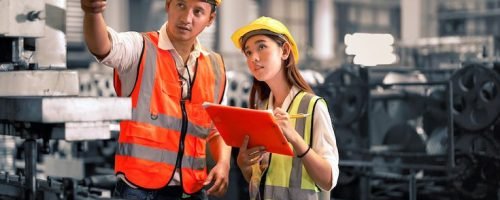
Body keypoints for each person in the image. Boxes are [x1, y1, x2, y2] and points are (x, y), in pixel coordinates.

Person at [80, 0, 231, 199]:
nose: (186, 18)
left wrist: (223, 163)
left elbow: (219, 127)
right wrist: (93, 12)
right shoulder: (140, 48)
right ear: (168, 5)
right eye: (181, 5)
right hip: (138, 189)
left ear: (210, 19)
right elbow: (103, 46)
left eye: (198, 11)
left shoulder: (216, 67)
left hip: (191, 189)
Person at [231, 16, 339, 200]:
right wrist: (244, 165)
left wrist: (295, 138)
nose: (253, 58)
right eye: (248, 52)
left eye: (261, 46)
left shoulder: (313, 107)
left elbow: (328, 179)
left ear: (285, 51)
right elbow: (259, 179)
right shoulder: (263, 110)